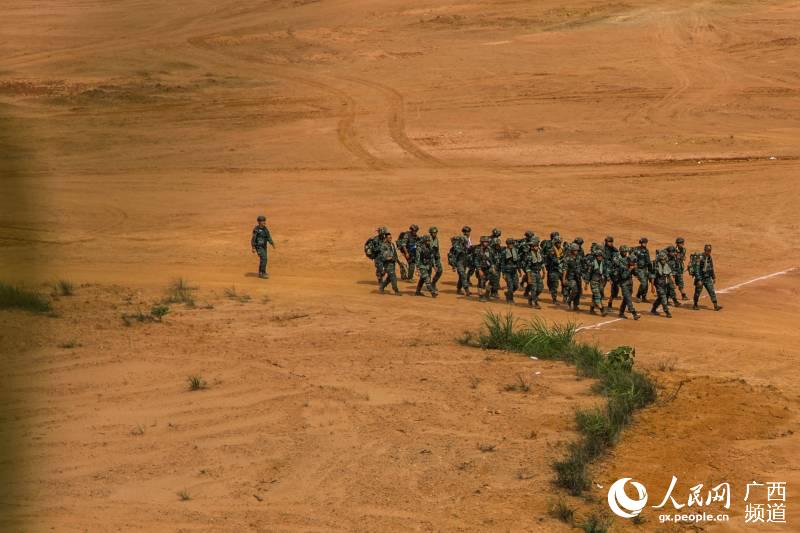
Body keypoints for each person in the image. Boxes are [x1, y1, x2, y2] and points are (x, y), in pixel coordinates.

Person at [691, 244, 723, 311]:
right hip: (701, 278)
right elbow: (697, 269)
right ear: (704, 250)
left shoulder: (709, 258)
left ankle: (715, 305)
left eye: (709, 250)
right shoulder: (700, 257)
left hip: (707, 277)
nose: (708, 252)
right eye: (707, 250)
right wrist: (699, 279)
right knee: (698, 292)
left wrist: (713, 277)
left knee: (711, 291)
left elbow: (711, 268)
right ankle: (695, 304)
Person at [251, 215, 275, 279]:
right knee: (264, 258)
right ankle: (261, 273)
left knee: (265, 259)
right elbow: (253, 239)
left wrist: (271, 243)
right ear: (259, 222)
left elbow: (268, 236)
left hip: (264, 246)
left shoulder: (265, 229)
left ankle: (262, 272)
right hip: (259, 247)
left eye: (264, 221)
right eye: (262, 221)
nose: (264, 222)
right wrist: (253, 247)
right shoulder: (256, 230)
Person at [585, 248, 609, 315]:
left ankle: (591, 309)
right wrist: (586, 284)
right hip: (594, 282)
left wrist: (609, 279)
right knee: (597, 296)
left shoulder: (603, 263)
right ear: (596, 257)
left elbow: (605, 271)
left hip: (600, 282)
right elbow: (588, 274)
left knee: (597, 295)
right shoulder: (592, 264)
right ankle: (602, 310)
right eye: (598, 256)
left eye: (601, 256)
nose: (600, 257)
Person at [473, 236, 497, 301]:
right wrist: (479, 269)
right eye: (484, 242)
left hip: (488, 268)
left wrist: (493, 267)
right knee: (481, 282)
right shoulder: (477, 250)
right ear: (481, 242)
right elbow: (476, 260)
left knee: (494, 279)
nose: (486, 243)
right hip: (480, 268)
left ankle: (487, 293)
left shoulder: (489, 249)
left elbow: (491, 259)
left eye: (487, 242)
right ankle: (481, 295)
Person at [523, 238, 545, 308]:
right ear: (531, 247)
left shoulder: (539, 253)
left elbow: (542, 263)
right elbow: (528, 268)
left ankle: (531, 298)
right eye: (534, 246)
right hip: (532, 273)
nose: (536, 247)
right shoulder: (529, 255)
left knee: (540, 288)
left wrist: (544, 272)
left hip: (538, 272)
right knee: (533, 288)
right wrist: (529, 278)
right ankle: (535, 303)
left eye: (537, 246)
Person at [448, 230, 472, 296]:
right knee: (463, 275)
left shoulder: (465, 247)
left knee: (461, 277)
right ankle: (467, 290)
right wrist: (453, 266)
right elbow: (452, 257)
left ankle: (458, 289)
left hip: (464, 263)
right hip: (459, 263)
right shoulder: (457, 248)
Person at [650, 251, 673, 318]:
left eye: (664, 259)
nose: (663, 261)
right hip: (658, 284)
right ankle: (667, 311)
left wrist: (672, 283)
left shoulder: (666, 265)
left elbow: (669, 275)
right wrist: (652, 287)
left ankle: (653, 309)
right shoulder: (656, 267)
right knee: (663, 297)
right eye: (662, 259)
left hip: (664, 284)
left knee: (660, 298)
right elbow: (652, 277)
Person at [617, 255, 641, 320]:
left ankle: (621, 312)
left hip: (630, 284)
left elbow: (636, 274)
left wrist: (635, 269)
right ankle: (634, 313)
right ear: (629, 261)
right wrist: (630, 269)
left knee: (625, 299)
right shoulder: (622, 267)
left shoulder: (631, 266)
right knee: (628, 299)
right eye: (633, 262)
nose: (634, 263)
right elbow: (623, 276)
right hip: (624, 285)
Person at [543, 233, 564, 304]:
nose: (559, 244)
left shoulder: (562, 250)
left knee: (565, 283)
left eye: (560, 242)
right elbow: (555, 261)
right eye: (557, 242)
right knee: (554, 285)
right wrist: (563, 259)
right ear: (554, 243)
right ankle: (554, 299)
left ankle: (565, 297)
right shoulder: (551, 251)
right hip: (553, 270)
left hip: (560, 270)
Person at [499, 237, 521, 304]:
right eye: (509, 244)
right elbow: (502, 263)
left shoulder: (516, 251)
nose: (510, 245)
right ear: (507, 244)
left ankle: (508, 293)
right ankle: (510, 299)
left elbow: (517, 262)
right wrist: (503, 273)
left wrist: (519, 271)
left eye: (511, 243)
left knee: (516, 286)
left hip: (514, 271)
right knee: (510, 286)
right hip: (507, 272)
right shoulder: (504, 252)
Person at [562, 243, 583, 311]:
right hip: (570, 278)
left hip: (578, 277)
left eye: (577, 250)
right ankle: (569, 301)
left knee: (579, 291)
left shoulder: (579, 257)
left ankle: (575, 305)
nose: (576, 252)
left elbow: (581, 267)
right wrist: (563, 279)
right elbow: (565, 269)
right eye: (575, 250)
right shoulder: (567, 258)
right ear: (571, 250)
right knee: (575, 290)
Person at [633, 237, 653, 302]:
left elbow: (648, 261)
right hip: (639, 269)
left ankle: (644, 297)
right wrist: (635, 270)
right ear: (640, 243)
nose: (644, 244)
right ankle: (638, 295)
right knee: (644, 283)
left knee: (646, 284)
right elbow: (632, 260)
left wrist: (650, 269)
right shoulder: (636, 250)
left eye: (645, 243)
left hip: (645, 269)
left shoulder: (646, 251)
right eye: (643, 243)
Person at [602, 235, 619, 309]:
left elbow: (617, 260)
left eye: (611, 242)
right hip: (603, 270)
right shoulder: (602, 250)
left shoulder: (614, 250)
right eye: (609, 242)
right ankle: (597, 302)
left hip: (612, 270)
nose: (611, 243)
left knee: (615, 288)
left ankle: (610, 303)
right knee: (601, 286)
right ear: (606, 242)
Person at [428, 226, 443, 291]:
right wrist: (434, 265)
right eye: (433, 233)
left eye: (436, 232)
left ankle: (433, 283)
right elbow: (430, 253)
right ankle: (429, 286)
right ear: (430, 233)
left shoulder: (436, 239)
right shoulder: (428, 240)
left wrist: (438, 258)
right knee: (428, 273)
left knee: (440, 270)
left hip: (436, 257)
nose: (435, 234)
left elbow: (437, 249)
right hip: (429, 258)